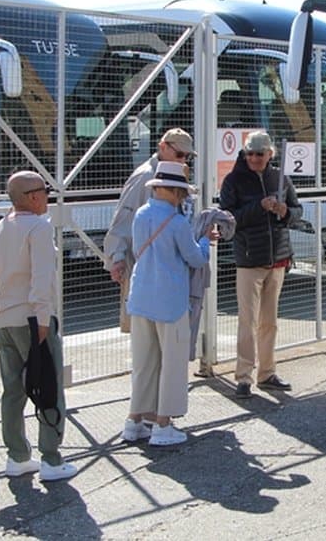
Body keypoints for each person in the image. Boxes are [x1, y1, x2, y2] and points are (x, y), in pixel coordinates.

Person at [0, 170, 77, 482]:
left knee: (13, 391)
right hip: (33, 319)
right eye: (44, 190)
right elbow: (42, 276)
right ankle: (52, 459)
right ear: (31, 196)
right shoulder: (39, 228)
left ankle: (17, 455)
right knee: (48, 386)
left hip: (6, 319)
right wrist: (43, 318)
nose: (47, 195)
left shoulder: (2, 227)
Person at [122, 161, 216, 446]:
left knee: (144, 363)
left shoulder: (141, 214)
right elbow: (195, 258)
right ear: (176, 192)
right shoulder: (177, 222)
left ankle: (135, 420)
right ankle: (163, 424)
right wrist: (204, 241)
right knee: (172, 364)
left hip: (140, 297)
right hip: (170, 300)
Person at [219, 131, 303, 399]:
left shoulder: (281, 178)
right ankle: (243, 376)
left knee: (270, 322)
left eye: (259, 153)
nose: (254, 158)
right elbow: (228, 219)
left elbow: (297, 210)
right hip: (249, 260)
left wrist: (285, 212)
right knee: (248, 321)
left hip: (276, 259)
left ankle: (266, 373)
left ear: (270, 154)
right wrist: (260, 206)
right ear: (244, 154)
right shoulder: (233, 181)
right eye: (250, 153)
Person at [103, 128, 195, 333]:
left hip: (167, 265)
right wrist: (116, 257)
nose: (183, 160)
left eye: (186, 156)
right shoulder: (145, 175)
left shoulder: (173, 172)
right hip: (145, 267)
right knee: (147, 335)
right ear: (163, 147)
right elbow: (122, 221)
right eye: (179, 154)